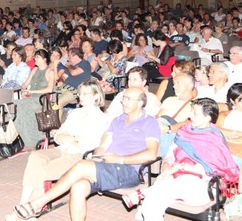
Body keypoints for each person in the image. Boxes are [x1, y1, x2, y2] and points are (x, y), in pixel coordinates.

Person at [10, 86, 159, 221]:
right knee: (78, 187)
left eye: (128, 99)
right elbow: (102, 146)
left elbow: (152, 154)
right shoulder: (117, 121)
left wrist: (119, 159)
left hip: (129, 170)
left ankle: (37, 204)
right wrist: (99, 156)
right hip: (108, 166)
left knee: (82, 166)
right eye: (123, 98)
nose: (123, 102)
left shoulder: (149, 123)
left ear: (140, 103)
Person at [122, 98, 239, 220]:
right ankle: (144, 200)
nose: (189, 115)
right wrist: (167, 165)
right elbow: (171, 154)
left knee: (170, 188)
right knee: (153, 203)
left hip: (201, 186)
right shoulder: (185, 131)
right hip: (173, 178)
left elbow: (215, 170)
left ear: (208, 117)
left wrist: (181, 167)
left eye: (194, 113)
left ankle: (144, 193)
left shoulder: (214, 138)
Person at [5, 82, 108, 221]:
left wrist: (70, 138)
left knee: (43, 170)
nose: (81, 97)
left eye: (86, 94)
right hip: (63, 148)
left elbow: (89, 143)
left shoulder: (101, 118)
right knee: (36, 157)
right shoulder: (76, 113)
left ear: (96, 96)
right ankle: (24, 206)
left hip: (80, 155)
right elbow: (58, 135)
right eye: (80, 93)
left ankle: (22, 212)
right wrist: (72, 139)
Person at [14, 49, 56, 147]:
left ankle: (30, 137)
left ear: (44, 59)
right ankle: (23, 135)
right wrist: (23, 90)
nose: (34, 59)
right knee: (16, 104)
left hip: (41, 99)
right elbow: (25, 84)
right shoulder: (34, 69)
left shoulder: (50, 72)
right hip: (31, 97)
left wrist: (32, 91)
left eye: (37, 57)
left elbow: (50, 89)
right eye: (35, 56)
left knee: (20, 105)